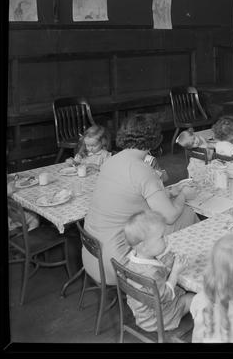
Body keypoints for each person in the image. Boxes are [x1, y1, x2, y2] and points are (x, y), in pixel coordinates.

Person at [82, 114, 199, 285]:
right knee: (187, 213)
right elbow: (169, 216)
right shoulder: (142, 169)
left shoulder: (111, 161)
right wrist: (182, 195)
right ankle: (187, 274)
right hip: (121, 263)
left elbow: (131, 195)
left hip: (94, 255)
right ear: (155, 139)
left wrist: (167, 193)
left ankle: (173, 270)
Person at [123, 210, 194, 333]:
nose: (166, 239)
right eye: (161, 237)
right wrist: (175, 272)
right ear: (144, 246)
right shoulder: (151, 273)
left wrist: (164, 260)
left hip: (142, 314)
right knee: (195, 297)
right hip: (158, 319)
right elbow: (166, 296)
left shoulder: (131, 259)